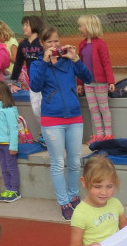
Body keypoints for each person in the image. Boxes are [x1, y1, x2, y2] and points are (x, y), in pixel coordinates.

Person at [30, 25, 93, 220]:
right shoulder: (37, 64)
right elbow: (35, 85)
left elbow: (88, 78)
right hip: (52, 120)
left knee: (74, 162)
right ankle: (64, 202)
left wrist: (76, 59)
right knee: (58, 163)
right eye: (49, 42)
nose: (54, 45)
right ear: (42, 44)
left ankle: (74, 196)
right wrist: (44, 61)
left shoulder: (68, 61)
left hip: (74, 117)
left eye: (56, 41)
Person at [70, 156, 127, 246]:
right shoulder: (80, 213)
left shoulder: (115, 203)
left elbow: (125, 228)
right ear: (84, 182)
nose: (104, 192)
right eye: (97, 186)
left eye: (109, 186)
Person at [76, 14, 115, 142]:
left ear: (89, 27)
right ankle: (99, 133)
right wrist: (80, 83)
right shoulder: (81, 45)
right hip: (88, 83)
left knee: (104, 107)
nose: (79, 29)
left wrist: (110, 81)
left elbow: (106, 63)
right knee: (93, 108)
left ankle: (108, 134)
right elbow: (80, 65)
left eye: (81, 26)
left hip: (101, 83)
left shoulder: (100, 44)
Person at [10, 16, 43, 118]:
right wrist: (14, 82)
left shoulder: (42, 42)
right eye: (23, 25)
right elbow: (18, 63)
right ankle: (42, 130)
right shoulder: (23, 44)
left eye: (26, 25)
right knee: (36, 109)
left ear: (34, 25)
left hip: (45, 80)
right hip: (33, 81)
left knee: (45, 107)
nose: (24, 27)